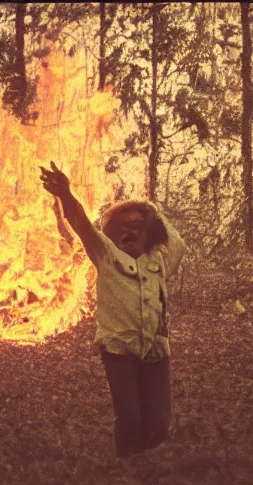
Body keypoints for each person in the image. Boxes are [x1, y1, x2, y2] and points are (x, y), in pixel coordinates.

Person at [40, 161, 186, 457]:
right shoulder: (106, 255)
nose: (129, 232)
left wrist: (150, 210)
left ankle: (147, 475)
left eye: (136, 227)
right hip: (119, 351)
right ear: (113, 232)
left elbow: (178, 243)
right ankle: (126, 471)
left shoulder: (159, 261)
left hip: (156, 350)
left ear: (148, 232)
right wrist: (66, 195)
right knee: (130, 417)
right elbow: (80, 223)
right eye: (123, 227)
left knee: (158, 423)